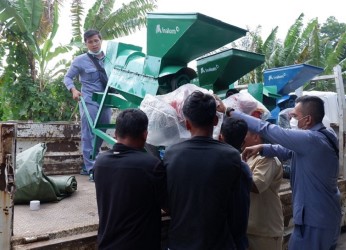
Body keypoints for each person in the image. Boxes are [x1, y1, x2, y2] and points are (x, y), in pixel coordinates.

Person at [218, 95, 341, 250]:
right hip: (321, 215)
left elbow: (267, 129)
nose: (292, 120)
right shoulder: (325, 135)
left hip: (315, 220)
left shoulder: (311, 139)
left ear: (308, 119)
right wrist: (263, 148)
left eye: (295, 116)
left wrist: (230, 112)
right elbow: (288, 151)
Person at [163, 90, 242, 249]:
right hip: (219, 243)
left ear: (186, 123)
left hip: (181, 243)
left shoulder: (170, 155)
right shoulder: (232, 156)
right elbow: (239, 206)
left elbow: (166, 201)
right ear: (215, 120)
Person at [93, 109, 166, 250]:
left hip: (106, 245)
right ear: (145, 135)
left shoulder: (100, 163)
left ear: (115, 134)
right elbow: (168, 205)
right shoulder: (151, 165)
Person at [64, 29, 111, 181]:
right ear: (86, 44)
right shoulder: (80, 60)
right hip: (88, 99)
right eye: (90, 42)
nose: (94, 44)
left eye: (96, 41)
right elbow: (68, 78)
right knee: (89, 132)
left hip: (105, 100)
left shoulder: (110, 59)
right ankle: (92, 168)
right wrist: (74, 90)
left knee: (102, 130)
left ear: (101, 40)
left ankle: (90, 160)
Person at [242, 130, 284, 250]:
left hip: (265, 231)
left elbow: (256, 185)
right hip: (249, 228)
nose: (241, 137)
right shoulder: (245, 156)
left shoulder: (267, 158)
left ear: (256, 137)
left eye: (245, 134)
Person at [219, 117, 252, 250]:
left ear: (220, 137)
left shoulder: (215, 163)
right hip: (236, 239)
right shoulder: (243, 167)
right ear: (244, 142)